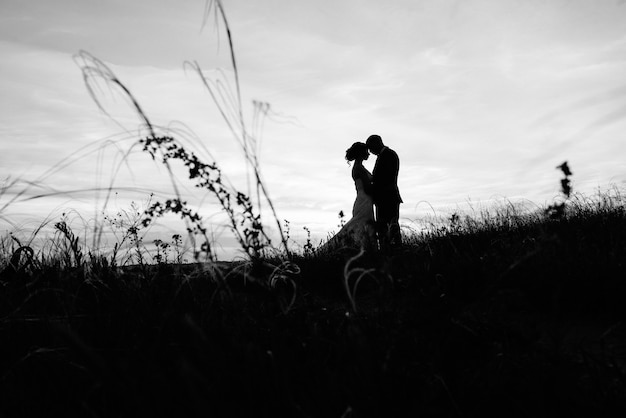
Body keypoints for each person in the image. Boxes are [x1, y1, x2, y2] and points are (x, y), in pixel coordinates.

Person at [321, 142, 376, 251]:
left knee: (364, 226)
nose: (368, 154)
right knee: (362, 224)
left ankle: (364, 249)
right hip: (364, 199)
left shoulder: (359, 167)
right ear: (361, 153)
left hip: (363, 199)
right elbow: (367, 187)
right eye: (366, 151)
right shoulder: (359, 168)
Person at [366, 134, 402, 251]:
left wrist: (371, 187)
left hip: (388, 196)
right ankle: (388, 250)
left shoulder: (389, 155)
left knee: (391, 227)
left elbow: (386, 178)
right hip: (383, 197)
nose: (370, 152)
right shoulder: (385, 155)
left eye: (371, 148)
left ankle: (394, 251)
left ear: (377, 143)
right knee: (383, 228)